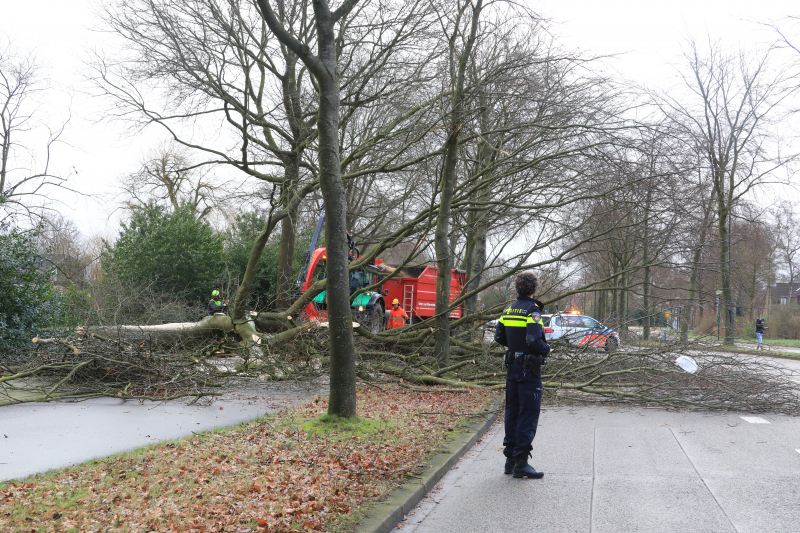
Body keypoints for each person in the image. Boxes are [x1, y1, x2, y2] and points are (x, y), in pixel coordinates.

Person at [494, 271, 550, 479]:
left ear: (517, 288)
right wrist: (546, 349)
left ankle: (510, 459)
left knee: (512, 411)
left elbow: (499, 336)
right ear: (534, 289)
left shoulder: (508, 309)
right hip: (529, 370)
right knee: (528, 413)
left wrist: (515, 348)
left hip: (512, 368)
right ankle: (522, 463)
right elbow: (535, 340)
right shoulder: (532, 311)